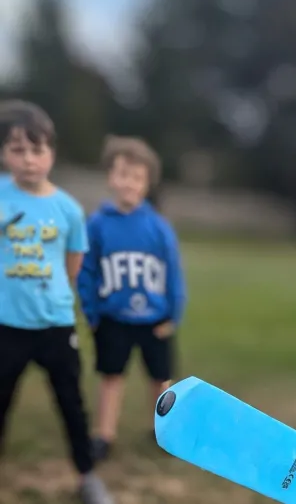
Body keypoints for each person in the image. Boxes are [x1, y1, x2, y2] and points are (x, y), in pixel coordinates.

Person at [0, 100, 114, 504]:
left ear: (52, 152)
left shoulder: (67, 209)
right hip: (6, 328)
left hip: (55, 326)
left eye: (37, 149)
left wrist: (50, 298)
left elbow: (72, 265)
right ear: (4, 153)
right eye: (18, 150)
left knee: (71, 404)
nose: (29, 159)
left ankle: (86, 476)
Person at [76, 135, 186, 461]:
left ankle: (165, 433)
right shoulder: (97, 224)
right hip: (113, 318)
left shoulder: (158, 226)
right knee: (111, 377)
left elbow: (173, 273)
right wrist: (92, 313)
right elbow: (86, 271)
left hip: (155, 319)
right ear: (110, 176)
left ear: (147, 183)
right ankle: (104, 435)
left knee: (160, 379)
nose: (129, 183)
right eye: (123, 174)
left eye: (137, 177)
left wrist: (173, 315)